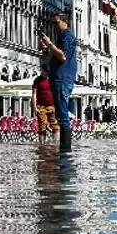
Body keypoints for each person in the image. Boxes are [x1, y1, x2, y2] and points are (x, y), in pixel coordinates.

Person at [41, 13, 79, 151]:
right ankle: (64, 150)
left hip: (62, 78)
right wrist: (47, 48)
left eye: (56, 23)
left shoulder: (67, 36)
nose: (54, 26)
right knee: (60, 114)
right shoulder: (61, 37)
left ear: (65, 22)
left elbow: (63, 56)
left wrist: (49, 44)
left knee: (63, 115)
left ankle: (65, 150)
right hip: (59, 78)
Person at [32, 74, 58, 141]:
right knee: (42, 127)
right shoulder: (37, 80)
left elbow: (57, 92)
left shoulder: (53, 78)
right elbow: (34, 94)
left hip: (52, 106)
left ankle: (55, 143)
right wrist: (35, 107)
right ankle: (42, 144)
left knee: (55, 126)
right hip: (41, 107)